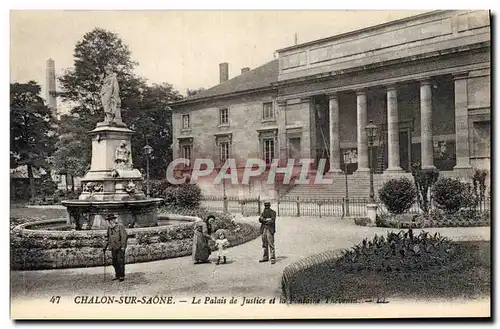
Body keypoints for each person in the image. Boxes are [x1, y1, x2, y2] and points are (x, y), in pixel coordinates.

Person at [103, 214, 128, 281]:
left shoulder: (120, 226)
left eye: (112, 220)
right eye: (109, 220)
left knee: (120, 261)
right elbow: (107, 238)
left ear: (114, 220)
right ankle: (117, 275)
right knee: (114, 262)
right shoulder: (109, 228)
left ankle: (121, 276)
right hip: (113, 247)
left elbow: (124, 237)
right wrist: (105, 246)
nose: (110, 221)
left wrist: (123, 246)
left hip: (120, 247)